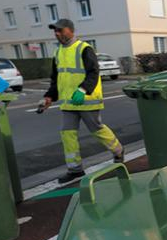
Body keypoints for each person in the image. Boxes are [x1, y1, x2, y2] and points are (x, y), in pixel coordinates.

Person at [42, 19, 124, 183]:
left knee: (97, 129)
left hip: (86, 100)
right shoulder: (58, 52)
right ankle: (75, 169)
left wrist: (82, 90)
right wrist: (49, 96)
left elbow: (93, 73)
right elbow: (56, 78)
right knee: (67, 134)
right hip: (68, 103)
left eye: (60, 30)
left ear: (71, 30)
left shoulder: (84, 49)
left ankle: (118, 151)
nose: (57, 33)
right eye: (55, 31)